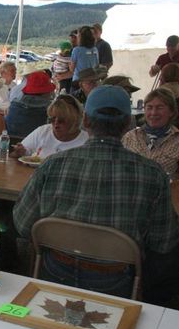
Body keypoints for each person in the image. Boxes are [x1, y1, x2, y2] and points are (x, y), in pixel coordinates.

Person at [14, 85, 179, 300]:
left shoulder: (52, 165)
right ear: (127, 125)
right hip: (117, 281)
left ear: (85, 121)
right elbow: (163, 242)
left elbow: (23, 223)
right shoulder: (152, 174)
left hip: (53, 271)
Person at [122, 88, 179, 178]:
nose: (153, 113)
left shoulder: (177, 141)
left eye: (160, 108)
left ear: (171, 112)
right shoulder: (130, 137)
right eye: (149, 107)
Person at [11, 94, 88, 159]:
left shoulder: (87, 141)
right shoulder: (43, 131)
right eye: (52, 119)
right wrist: (21, 152)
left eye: (61, 120)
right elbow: (14, 155)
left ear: (74, 120)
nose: (56, 124)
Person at [6, 70, 55, 137]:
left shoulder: (13, 105)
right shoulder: (50, 111)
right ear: (45, 93)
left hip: (10, 145)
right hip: (35, 147)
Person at [69, 26, 99, 90]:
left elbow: (72, 69)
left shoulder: (76, 50)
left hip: (79, 82)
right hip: (92, 81)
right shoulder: (95, 49)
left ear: (81, 37)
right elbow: (97, 65)